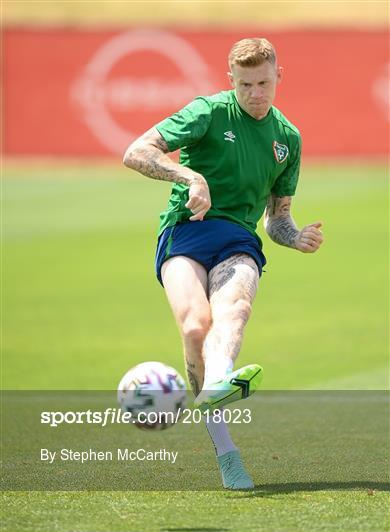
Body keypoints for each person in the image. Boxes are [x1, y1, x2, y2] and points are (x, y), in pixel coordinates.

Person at [123, 37, 323, 489]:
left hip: (238, 238)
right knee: (195, 326)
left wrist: (297, 238)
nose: (256, 93)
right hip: (185, 230)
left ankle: (218, 381)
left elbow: (278, 219)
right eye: (246, 84)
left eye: (264, 83)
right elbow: (136, 150)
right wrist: (189, 175)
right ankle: (225, 449)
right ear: (230, 79)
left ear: (279, 77)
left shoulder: (287, 139)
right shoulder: (208, 112)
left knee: (235, 308)